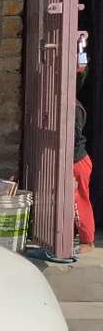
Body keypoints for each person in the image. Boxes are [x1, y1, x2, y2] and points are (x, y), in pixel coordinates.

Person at [74, 34, 94, 253]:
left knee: (79, 202)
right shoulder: (76, 105)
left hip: (77, 160)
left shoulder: (75, 107)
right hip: (78, 159)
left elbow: (81, 68)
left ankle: (87, 241)